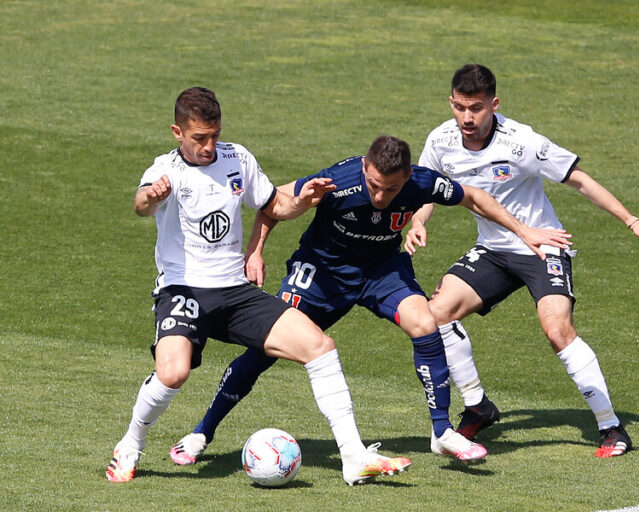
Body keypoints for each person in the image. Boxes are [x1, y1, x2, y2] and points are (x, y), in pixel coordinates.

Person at [167, 134, 574, 467]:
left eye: (391, 189)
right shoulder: (337, 182)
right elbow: (274, 205)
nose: (381, 196)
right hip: (321, 276)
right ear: (364, 167)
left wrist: (525, 231)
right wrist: (255, 252)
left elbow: (473, 197)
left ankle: (441, 432)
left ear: (407, 177)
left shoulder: (421, 182)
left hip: (381, 272)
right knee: (263, 352)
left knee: (425, 323)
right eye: (375, 185)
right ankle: (203, 430)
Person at [106, 87, 412, 487]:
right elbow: (141, 203)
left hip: (235, 291)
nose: (209, 145)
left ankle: (354, 458)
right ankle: (130, 444)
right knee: (174, 372)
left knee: (320, 347)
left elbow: (273, 206)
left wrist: (302, 200)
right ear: (177, 132)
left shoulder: (237, 158)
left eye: (214, 134)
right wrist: (151, 196)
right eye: (199, 138)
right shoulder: (166, 170)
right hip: (184, 291)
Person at [405, 64, 639, 457]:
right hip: (493, 250)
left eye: (476, 108)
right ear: (451, 102)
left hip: (542, 246)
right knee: (435, 313)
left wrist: (631, 220)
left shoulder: (522, 142)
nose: (466, 117)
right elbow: (427, 188)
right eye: (460, 107)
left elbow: (578, 179)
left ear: (493, 104)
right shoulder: (441, 140)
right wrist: (418, 221)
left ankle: (611, 427)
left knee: (557, 330)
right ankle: (478, 405)